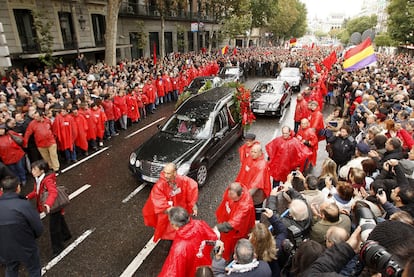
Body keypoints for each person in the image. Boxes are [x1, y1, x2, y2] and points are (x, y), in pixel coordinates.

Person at [142, 163, 198, 241]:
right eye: (164, 172)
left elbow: (191, 188)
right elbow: (160, 204)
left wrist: (193, 204)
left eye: (168, 173)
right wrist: (176, 213)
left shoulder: (182, 180)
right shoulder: (159, 186)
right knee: (169, 232)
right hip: (170, 215)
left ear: (174, 173)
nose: (165, 175)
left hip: (178, 212)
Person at [26, 160, 71, 257]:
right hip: (53, 205)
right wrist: (27, 197)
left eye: (34, 169)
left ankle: (58, 248)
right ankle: (66, 235)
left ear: (42, 171)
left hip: (52, 205)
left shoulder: (47, 180)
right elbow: (36, 192)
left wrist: (48, 204)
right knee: (59, 219)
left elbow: (53, 192)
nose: (32, 171)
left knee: (54, 228)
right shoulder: (38, 179)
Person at [0, 176, 43, 277]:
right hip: (26, 245)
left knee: (11, 268)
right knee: (34, 268)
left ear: (2, 189)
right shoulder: (23, 205)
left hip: (4, 247)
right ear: (18, 188)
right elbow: (38, 227)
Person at [158, 206, 218, 277]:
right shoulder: (200, 224)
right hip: (204, 265)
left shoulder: (179, 248)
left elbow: (173, 272)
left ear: (174, 224)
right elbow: (213, 239)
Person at [215, 182, 256, 261]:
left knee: (235, 245)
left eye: (232, 196)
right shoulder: (235, 192)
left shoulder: (245, 206)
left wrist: (217, 227)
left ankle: (235, 257)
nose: (230, 197)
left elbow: (233, 223)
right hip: (230, 223)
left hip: (239, 231)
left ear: (240, 195)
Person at [235, 143, 271, 216]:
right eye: (251, 151)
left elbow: (257, 184)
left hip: (256, 194)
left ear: (260, 153)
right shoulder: (250, 159)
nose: (252, 154)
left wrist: (245, 196)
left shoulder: (262, 165)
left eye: (255, 152)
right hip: (247, 190)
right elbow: (243, 173)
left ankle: (257, 222)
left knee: (256, 209)